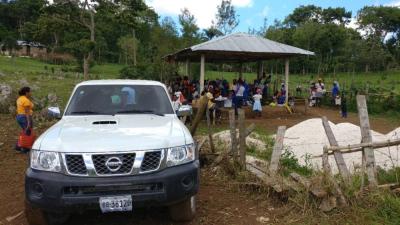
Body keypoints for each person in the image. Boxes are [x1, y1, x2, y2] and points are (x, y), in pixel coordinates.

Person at [16, 86, 34, 153]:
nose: (31, 93)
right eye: (30, 91)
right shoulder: (26, 100)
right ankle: (25, 148)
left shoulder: (19, 99)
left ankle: (18, 146)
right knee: (28, 131)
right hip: (25, 117)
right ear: (27, 92)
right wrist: (29, 122)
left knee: (25, 131)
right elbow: (27, 112)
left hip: (19, 116)